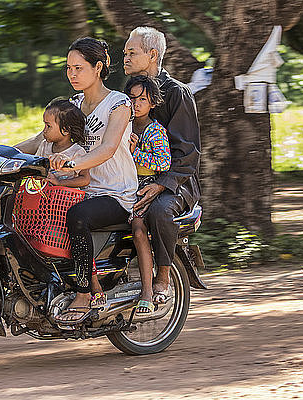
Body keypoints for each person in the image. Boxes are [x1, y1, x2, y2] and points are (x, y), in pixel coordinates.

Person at [16, 37, 138, 324]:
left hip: (113, 193)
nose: (72, 74)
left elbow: (107, 148)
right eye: (68, 68)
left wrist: (71, 163)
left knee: (77, 218)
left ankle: (85, 292)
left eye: (78, 68)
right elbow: (40, 138)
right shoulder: (73, 104)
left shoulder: (118, 104)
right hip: (78, 190)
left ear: (98, 68)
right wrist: (2, 152)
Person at [123, 27, 201, 303]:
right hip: (133, 177)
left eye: (132, 52)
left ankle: (164, 276)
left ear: (152, 55)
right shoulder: (126, 94)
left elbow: (188, 153)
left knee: (158, 211)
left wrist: (161, 184)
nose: (126, 58)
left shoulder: (178, 93)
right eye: (125, 53)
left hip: (176, 182)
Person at [124, 75, 171, 314]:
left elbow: (163, 163)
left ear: (152, 102)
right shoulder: (123, 125)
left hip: (144, 187)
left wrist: (135, 154)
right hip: (121, 185)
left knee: (139, 229)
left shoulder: (155, 131)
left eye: (142, 99)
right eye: (132, 98)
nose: (136, 103)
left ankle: (147, 291)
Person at [36, 99, 90, 189]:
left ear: (65, 130)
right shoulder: (44, 146)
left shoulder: (77, 152)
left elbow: (85, 179)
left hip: (66, 200)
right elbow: (37, 168)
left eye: (48, 126)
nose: (44, 130)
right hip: (46, 196)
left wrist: (59, 182)